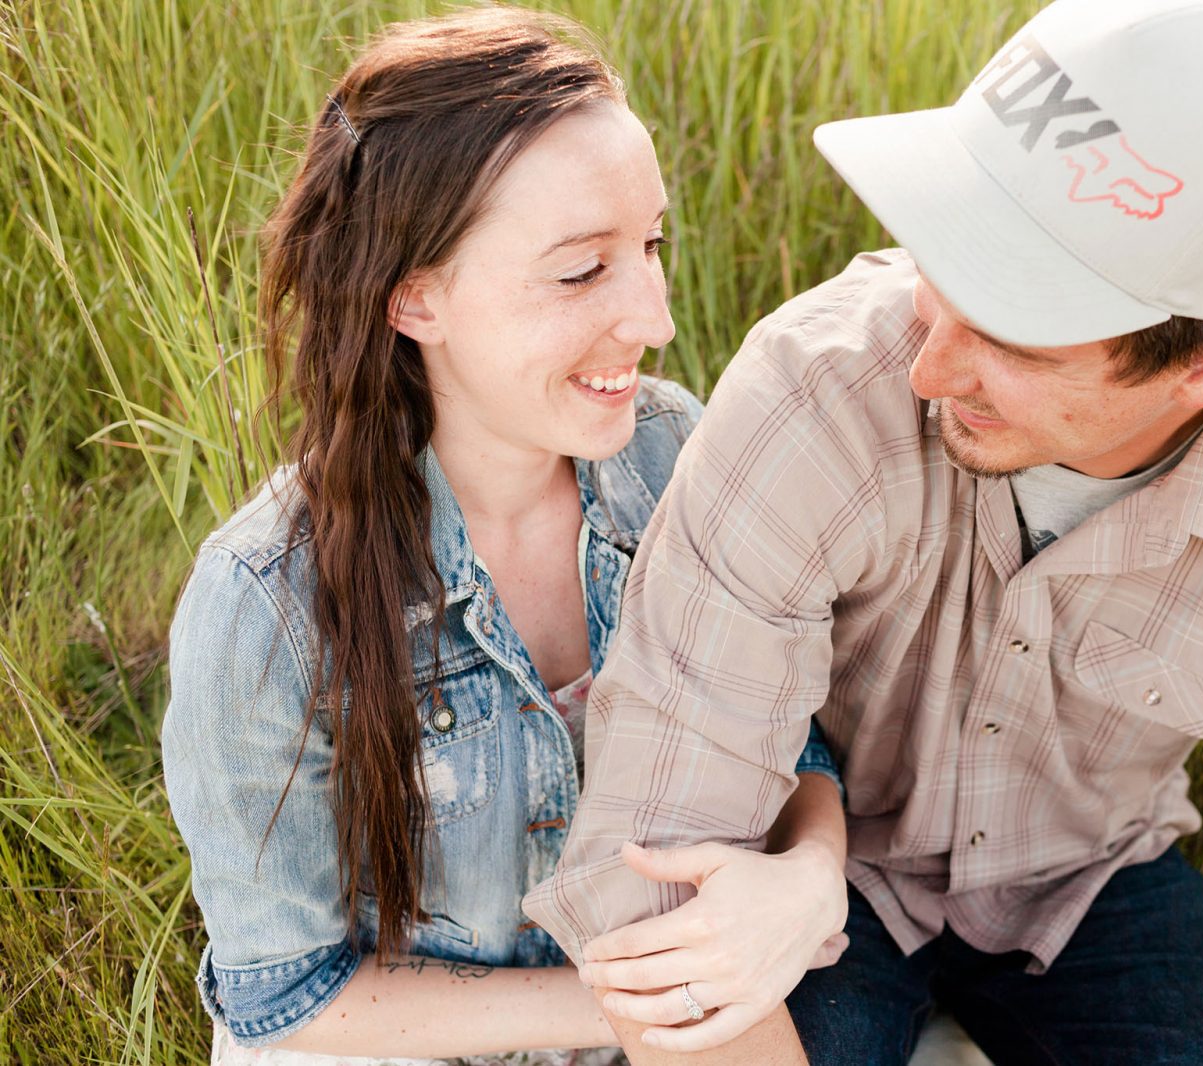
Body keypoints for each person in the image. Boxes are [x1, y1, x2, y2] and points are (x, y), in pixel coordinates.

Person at [522, 1, 1203, 1064]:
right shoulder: (815, 387)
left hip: (1088, 881)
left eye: (1016, 328)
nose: (929, 369)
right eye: (949, 260)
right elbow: (661, 849)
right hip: (811, 867)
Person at [159, 9, 848, 1065]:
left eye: (652, 246)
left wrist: (807, 877)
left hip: (659, 1005)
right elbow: (284, 996)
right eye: (581, 272)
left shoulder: (675, 455)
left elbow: (785, 739)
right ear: (413, 295)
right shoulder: (263, 600)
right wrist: (625, 1007)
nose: (653, 317)